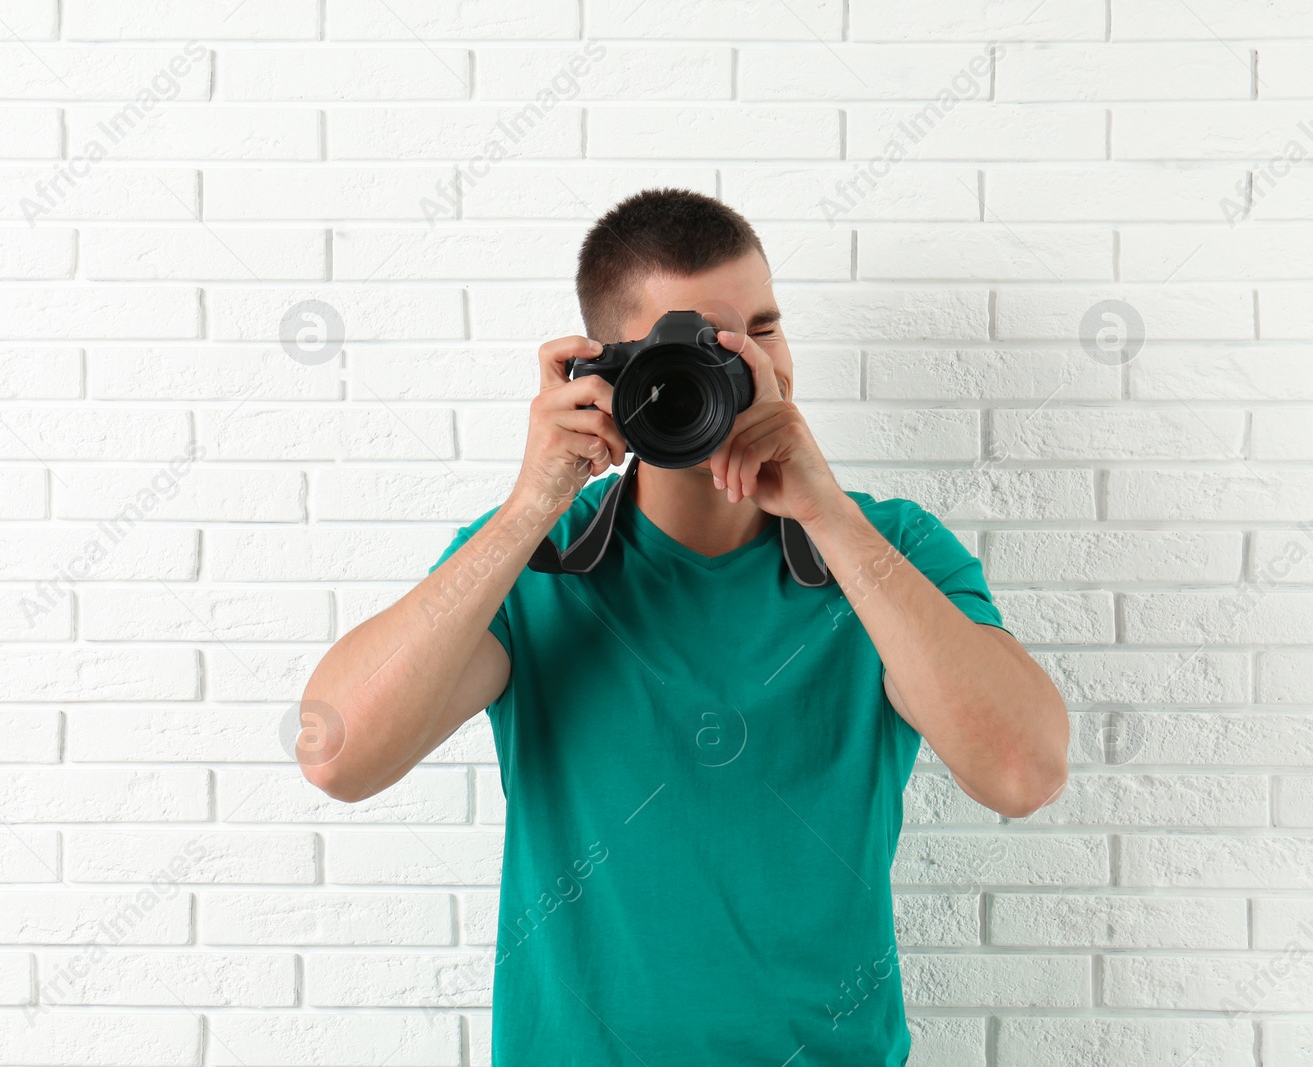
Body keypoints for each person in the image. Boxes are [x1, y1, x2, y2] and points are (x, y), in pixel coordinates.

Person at [297, 187, 1069, 1065]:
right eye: (700, 344)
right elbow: (337, 754)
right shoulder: (536, 562)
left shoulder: (888, 549)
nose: (748, 368)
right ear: (610, 372)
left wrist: (827, 514)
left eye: (764, 329)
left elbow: (1026, 773)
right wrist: (530, 504)